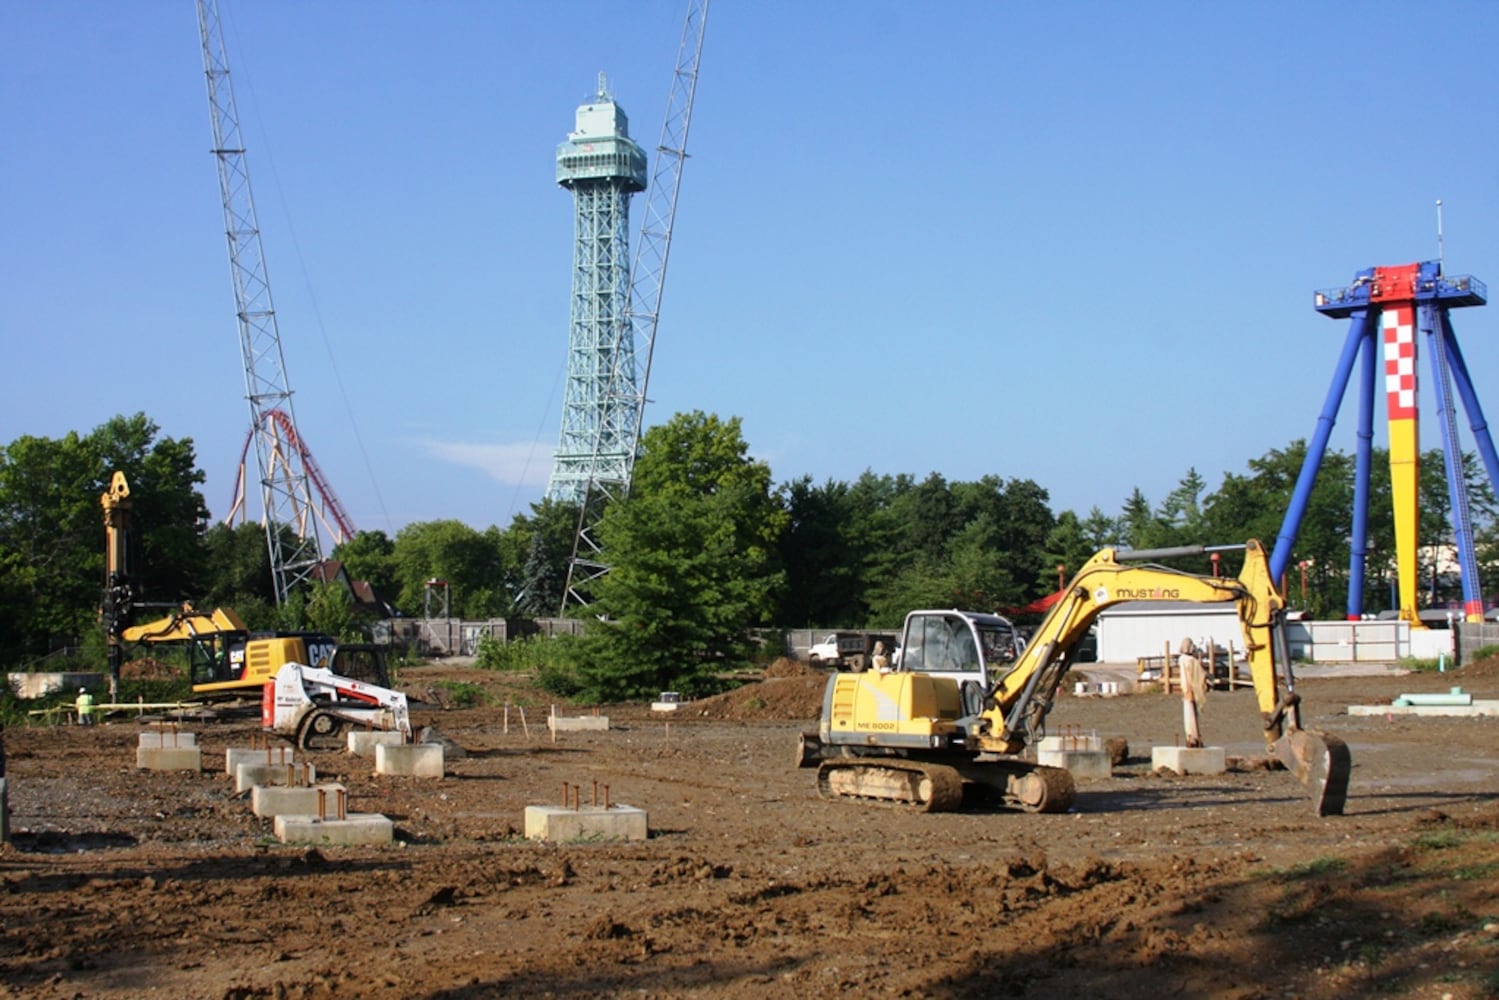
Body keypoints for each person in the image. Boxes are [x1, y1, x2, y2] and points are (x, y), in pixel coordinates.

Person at [1177, 638, 1208, 748]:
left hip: (1185, 689)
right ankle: (1194, 737)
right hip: (1190, 689)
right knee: (1192, 714)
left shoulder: (1181, 659)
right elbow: (1200, 675)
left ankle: (1191, 737)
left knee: (1189, 714)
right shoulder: (1191, 660)